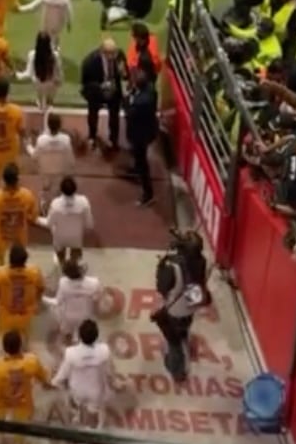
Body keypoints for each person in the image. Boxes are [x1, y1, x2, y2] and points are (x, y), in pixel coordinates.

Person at [152, 229, 210, 380]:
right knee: (184, 329)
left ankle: (177, 370)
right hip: (191, 305)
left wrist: (161, 267)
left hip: (175, 311)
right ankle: (184, 339)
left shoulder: (172, 266)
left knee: (173, 342)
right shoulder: (201, 261)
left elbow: (162, 288)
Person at [0, 330, 51, 444]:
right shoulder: (32, 361)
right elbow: (42, 376)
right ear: (20, 345)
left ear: (4, 348)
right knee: (20, 428)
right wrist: (46, 383)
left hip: (3, 402)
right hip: (23, 403)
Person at [0, 163, 39, 263]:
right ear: (17, 179)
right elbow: (33, 216)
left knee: (0, 263)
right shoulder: (27, 195)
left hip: (1, 237)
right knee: (19, 263)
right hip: (19, 239)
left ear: (3, 180)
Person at [0, 242, 45, 343]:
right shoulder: (35, 273)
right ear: (25, 260)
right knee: (24, 344)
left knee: (9, 345)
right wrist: (38, 302)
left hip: (6, 318)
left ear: (10, 259)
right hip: (26, 317)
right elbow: (41, 288)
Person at [81, 37, 128, 150]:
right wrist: (100, 86)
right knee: (93, 114)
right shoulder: (90, 62)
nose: (112, 56)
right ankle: (92, 136)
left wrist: (123, 72)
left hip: (114, 91)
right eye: (109, 53)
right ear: (102, 51)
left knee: (114, 116)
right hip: (96, 93)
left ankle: (113, 139)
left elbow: (126, 76)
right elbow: (85, 83)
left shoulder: (119, 56)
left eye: (113, 53)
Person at [125, 60, 160, 205]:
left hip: (140, 135)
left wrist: (127, 97)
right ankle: (136, 169)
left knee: (142, 161)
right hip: (147, 129)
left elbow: (129, 112)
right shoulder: (150, 90)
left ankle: (148, 194)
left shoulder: (140, 102)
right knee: (138, 156)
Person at [44, 176, 93, 265]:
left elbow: (49, 223)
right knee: (75, 253)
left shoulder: (55, 203)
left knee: (59, 249)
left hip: (59, 238)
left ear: (61, 189)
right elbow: (89, 224)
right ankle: (74, 264)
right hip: (76, 238)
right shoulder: (84, 202)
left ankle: (61, 262)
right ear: (75, 188)